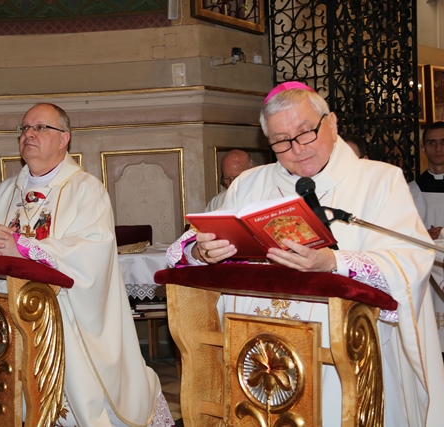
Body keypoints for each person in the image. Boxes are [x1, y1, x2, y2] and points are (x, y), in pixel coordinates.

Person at [167, 82, 444, 426]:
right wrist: (201, 251)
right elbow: (186, 247)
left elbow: (409, 261)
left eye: (305, 132)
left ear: (332, 124)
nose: (296, 149)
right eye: (281, 141)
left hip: (344, 348)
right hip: (260, 349)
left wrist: (334, 262)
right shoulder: (249, 183)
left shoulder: (379, 180)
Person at [0, 103, 174, 427]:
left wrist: (22, 248)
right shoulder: (5, 192)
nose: (29, 134)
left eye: (40, 127)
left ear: (64, 139)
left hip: (65, 313)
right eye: (24, 128)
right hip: (10, 311)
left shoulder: (85, 189)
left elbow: (91, 250)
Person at [408, 121, 444, 356]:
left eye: (443, 142)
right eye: (432, 143)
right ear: (423, 148)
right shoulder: (411, 190)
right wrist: (420, 235)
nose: (438, 148)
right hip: (425, 276)